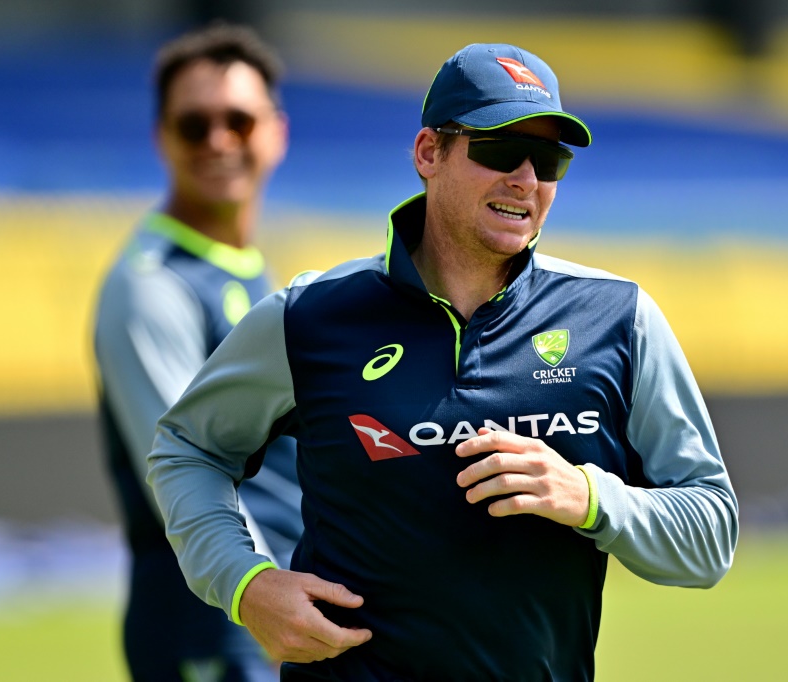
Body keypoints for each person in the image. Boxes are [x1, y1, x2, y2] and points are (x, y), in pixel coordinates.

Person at [148, 43, 739, 680]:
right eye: (497, 148)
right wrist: (246, 585)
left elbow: (709, 535)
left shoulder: (619, 319)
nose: (526, 179)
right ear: (429, 153)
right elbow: (186, 449)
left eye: (548, 159)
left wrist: (590, 497)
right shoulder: (306, 318)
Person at [93, 23, 304, 681]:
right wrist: (265, 593)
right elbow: (186, 475)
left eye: (238, 120)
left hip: (272, 618)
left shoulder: (251, 273)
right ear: (161, 138)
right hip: (220, 627)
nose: (218, 141)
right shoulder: (150, 284)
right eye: (194, 125)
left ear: (276, 132)